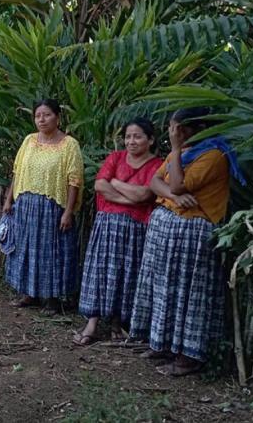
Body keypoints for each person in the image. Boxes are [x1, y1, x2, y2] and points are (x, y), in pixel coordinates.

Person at [130, 107, 244, 376]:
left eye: (175, 128)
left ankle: (187, 356)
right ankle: (162, 343)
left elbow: (179, 184)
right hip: (167, 229)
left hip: (193, 234)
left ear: (190, 129)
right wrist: (174, 196)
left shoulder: (214, 156)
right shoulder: (180, 153)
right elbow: (155, 181)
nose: (171, 133)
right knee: (162, 289)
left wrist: (175, 160)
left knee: (187, 293)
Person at [73, 118, 163, 346]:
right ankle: (91, 324)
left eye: (138, 136)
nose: (131, 141)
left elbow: (145, 195)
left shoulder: (157, 165)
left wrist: (116, 182)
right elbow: (100, 186)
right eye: (128, 136)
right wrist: (130, 197)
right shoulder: (116, 157)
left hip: (136, 230)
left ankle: (117, 323)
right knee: (99, 272)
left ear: (150, 140)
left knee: (126, 275)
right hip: (107, 225)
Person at [2, 98, 84, 314]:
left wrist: (68, 211)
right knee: (26, 250)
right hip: (25, 206)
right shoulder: (29, 140)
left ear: (57, 117)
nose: (42, 119)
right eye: (38, 115)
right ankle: (28, 293)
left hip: (52, 208)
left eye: (47, 115)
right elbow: (17, 172)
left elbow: (74, 181)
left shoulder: (69, 145)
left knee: (51, 252)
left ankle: (51, 298)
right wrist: (9, 199)